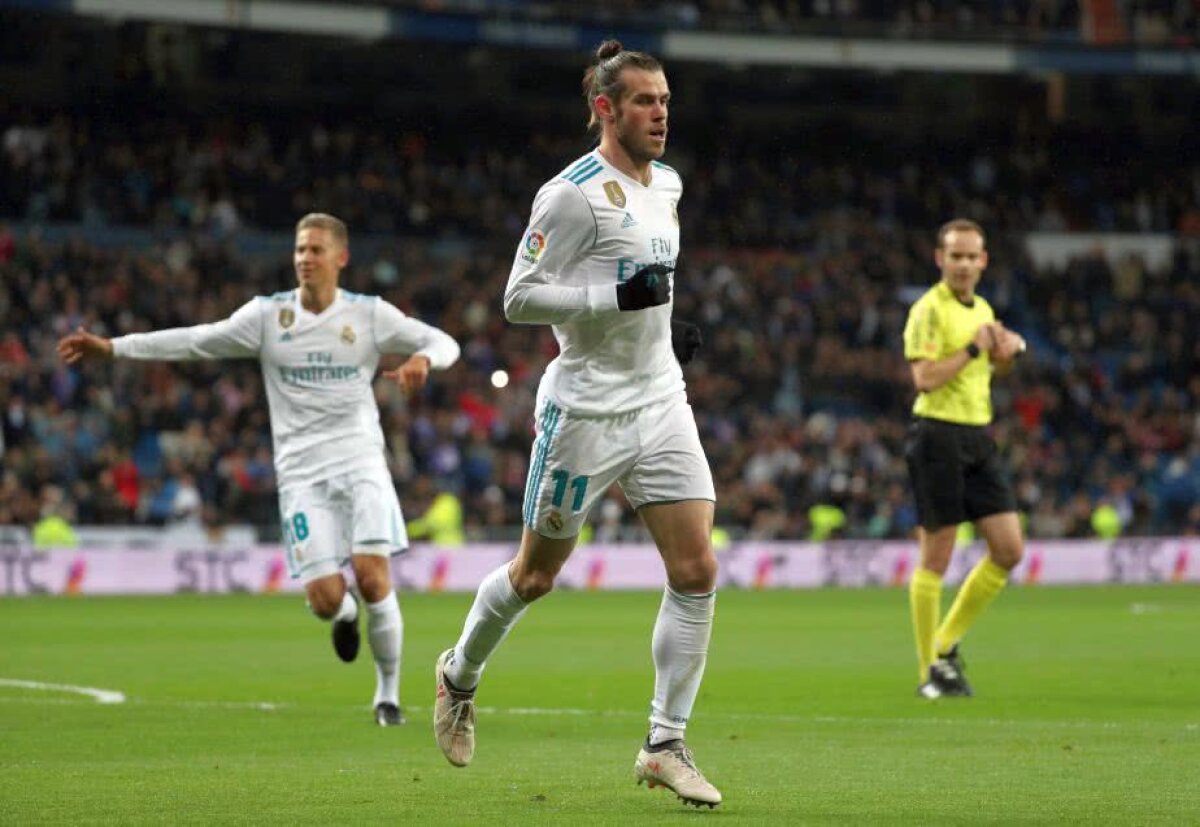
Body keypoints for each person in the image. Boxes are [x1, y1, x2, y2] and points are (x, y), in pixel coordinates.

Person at [431, 40, 720, 809]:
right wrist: (612, 305)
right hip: (585, 411)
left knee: (696, 571)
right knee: (536, 576)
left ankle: (664, 742)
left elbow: (644, 283)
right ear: (605, 108)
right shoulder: (569, 194)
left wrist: (664, 323)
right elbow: (519, 299)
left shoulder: (670, 186)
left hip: (659, 399)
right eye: (644, 102)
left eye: (665, 100)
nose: (660, 113)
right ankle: (459, 672)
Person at [57, 212, 461, 725]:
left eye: (315, 250)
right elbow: (194, 340)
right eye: (298, 250)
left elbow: (445, 342)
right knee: (323, 598)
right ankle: (342, 615)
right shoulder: (269, 317)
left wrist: (424, 360)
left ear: (341, 257)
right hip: (301, 473)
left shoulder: (369, 314)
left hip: (360, 459)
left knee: (372, 575)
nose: (304, 259)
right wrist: (113, 348)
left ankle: (387, 697)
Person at [902, 218, 1027, 699]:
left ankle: (945, 642)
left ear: (984, 261)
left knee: (1009, 549)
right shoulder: (928, 311)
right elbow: (926, 378)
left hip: (978, 434)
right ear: (940, 259)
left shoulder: (986, 308)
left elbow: (996, 368)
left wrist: (1007, 351)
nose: (964, 264)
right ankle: (927, 672)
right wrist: (977, 345)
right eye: (955, 255)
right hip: (936, 434)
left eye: (972, 256)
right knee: (937, 554)